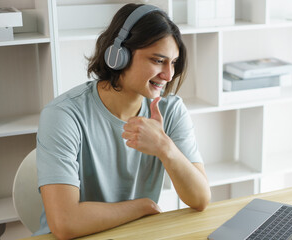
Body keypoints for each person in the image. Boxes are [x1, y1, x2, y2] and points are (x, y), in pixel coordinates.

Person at [34, 3, 211, 239]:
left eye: (173, 62)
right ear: (118, 55)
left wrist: (165, 148)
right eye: (158, 60)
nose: (168, 75)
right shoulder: (63, 116)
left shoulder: (171, 110)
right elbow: (65, 223)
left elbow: (200, 199)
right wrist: (142, 207)